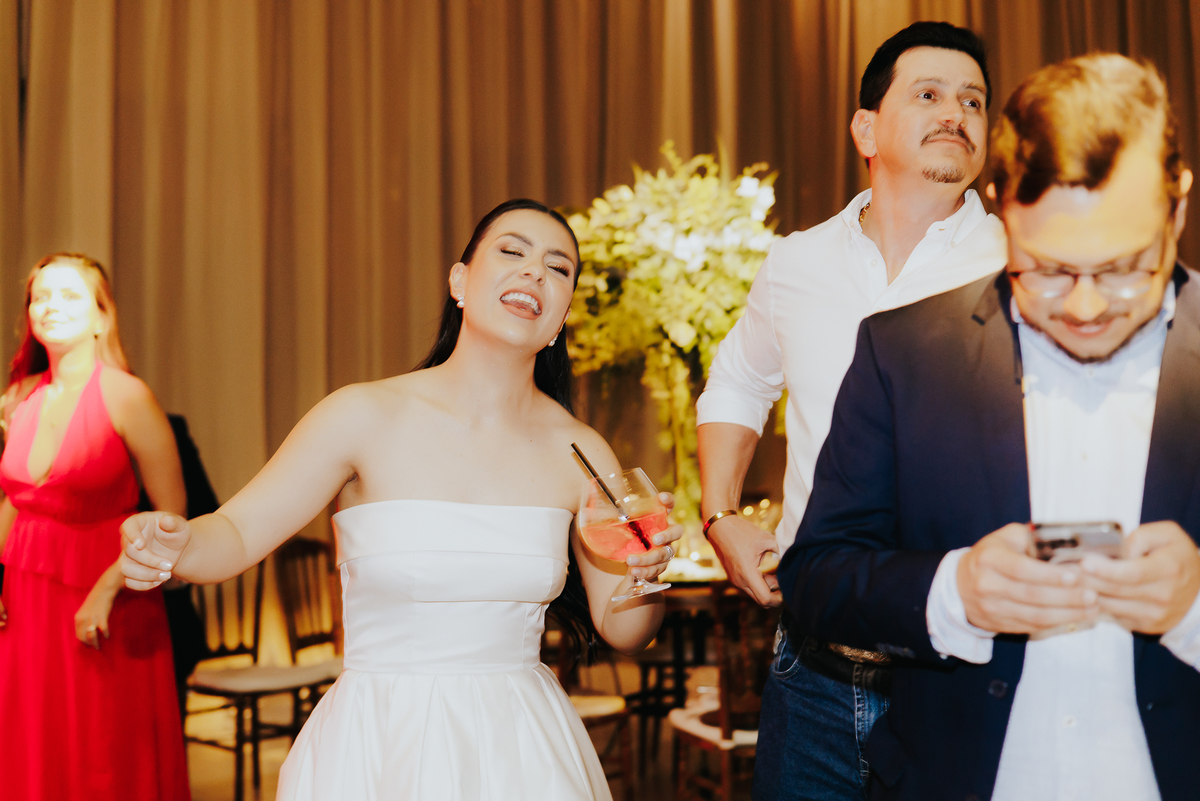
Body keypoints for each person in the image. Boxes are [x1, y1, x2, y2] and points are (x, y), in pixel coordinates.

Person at [120, 198, 682, 801]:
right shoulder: (361, 414)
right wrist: (175, 544)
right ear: (459, 281)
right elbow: (234, 534)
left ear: (563, 313)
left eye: (558, 267)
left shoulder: (581, 451)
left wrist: (645, 577)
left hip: (521, 748)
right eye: (512, 252)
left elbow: (625, 629)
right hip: (377, 742)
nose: (534, 272)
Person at [780, 53, 1200, 800]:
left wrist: (1194, 605)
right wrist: (955, 592)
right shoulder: (904, 352)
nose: (1085, 308)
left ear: (1177, 209)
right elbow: (816, 578)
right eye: (1047, 269)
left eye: (1124, 268)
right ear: (1003, 208)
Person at [695, 20, 1007, 799]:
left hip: (962, 671)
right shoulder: (796, 261)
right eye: (929, 94)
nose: (955, 113)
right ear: (866, 129)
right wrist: (719, 513)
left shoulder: (1022, 268)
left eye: (973, 101)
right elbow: (737, 380)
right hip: (812, 667)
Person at [0, 253, 191, 800]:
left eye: (69, 295)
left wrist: (107, 591)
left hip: (108, 598)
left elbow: (172, 518)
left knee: (101, 751)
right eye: (40, 297)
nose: (50, 306)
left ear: (102, 317)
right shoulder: (18, 397)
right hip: (26, 599)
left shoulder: (128, 395)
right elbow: (17, 500)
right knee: (33, 743)